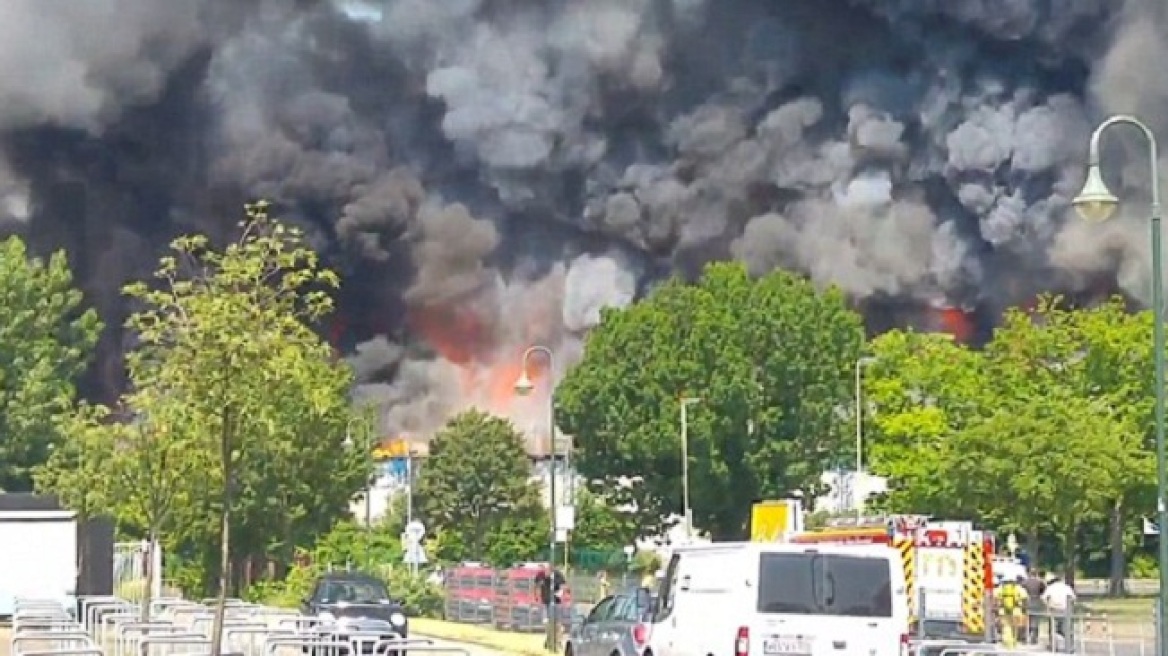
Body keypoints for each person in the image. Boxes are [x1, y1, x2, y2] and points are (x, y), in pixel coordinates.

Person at [997, 575, 1029, 648]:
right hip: (1017, 610)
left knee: (1006, 627)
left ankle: (1007, 643)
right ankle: (1014, 643)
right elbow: (1025, 599)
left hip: (1003, 610)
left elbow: (996, 598)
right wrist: (1024, 610)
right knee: (1015, 628)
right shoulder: (1020, 589)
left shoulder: (1000, 588)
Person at [1042, 576, 1077, 640]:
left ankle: (1052, 643)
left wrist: (1048, 605)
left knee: (1052, 627)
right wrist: (1071, 606)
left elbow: (1044, 598)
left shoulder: (1050, 588)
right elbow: (1073, 598)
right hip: (1065, 608)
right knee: (1065, 627)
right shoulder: (1067, 587)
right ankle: (1067, 642)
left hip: (1054, 609)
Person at [1022, 569, 1047, 644]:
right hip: (1037, 601)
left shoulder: (1024, 582)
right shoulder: (1040, 582)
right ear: (1036, 574)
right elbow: (1043, 591)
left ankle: (1025, 636)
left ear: (1029, 573)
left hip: (1027, 601)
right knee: (1036, 620)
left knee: (1026, 620)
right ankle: (1034, 638)